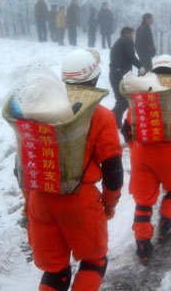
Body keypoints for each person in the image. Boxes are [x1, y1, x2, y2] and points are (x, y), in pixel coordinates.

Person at [28, 49, 123, 291]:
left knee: (55, 269)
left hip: (40, 199)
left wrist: (28, 200)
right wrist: (110, 203)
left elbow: (25, 160)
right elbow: (113, 169)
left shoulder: (39, 111)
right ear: (94, 79)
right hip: (78, 201)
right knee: (94, 260)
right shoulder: (100, 115)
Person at [122, 55, 171, 263]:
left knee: (143, 201)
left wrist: (136, 149)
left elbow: (126, 127)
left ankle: (143, 245)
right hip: (170, 154)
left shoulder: (140, 95)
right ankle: (165, 227)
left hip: (142, 154)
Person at [109, 27, 142, 128]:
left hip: (115, 73)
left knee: (121, 100)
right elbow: (130, 56)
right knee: (124, 101)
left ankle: (116, 124)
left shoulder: (119, 42)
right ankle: (109, 119)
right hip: (120, 74)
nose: (133, 36)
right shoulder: (127, 40)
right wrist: (141, 66)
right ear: (128, 33)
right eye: (132, 34)